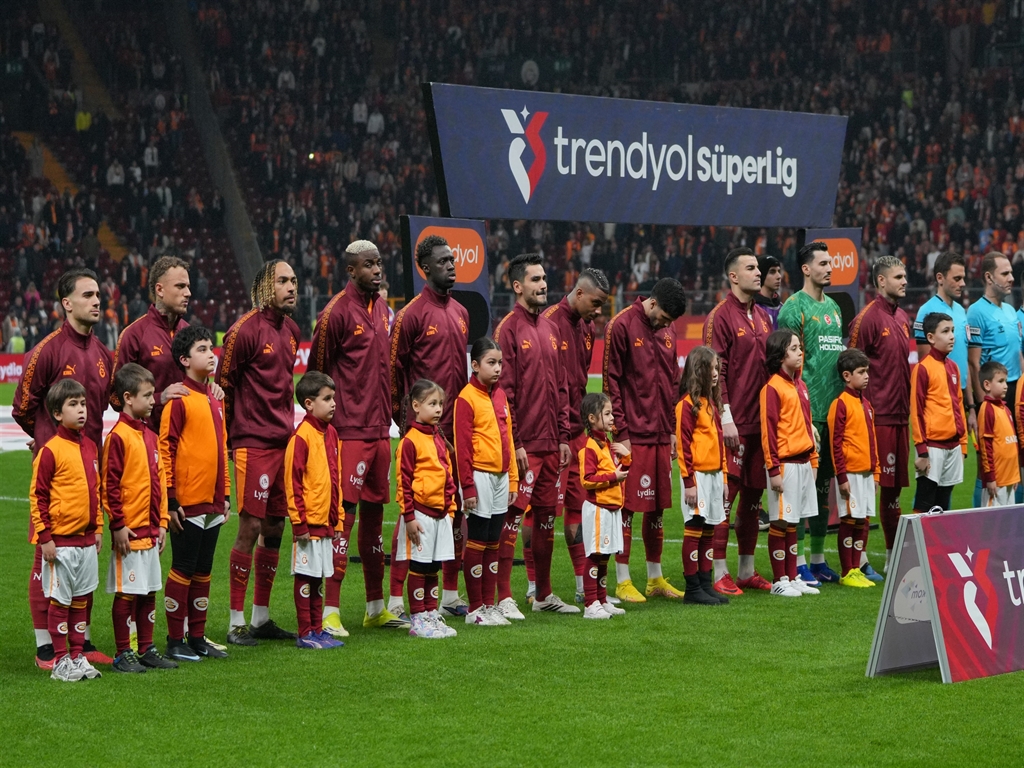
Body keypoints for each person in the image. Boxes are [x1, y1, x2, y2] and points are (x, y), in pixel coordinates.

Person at [14, 268, 113, 669]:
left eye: (98, 294)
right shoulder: (47, 351)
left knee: (85, 550)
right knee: (48, 552)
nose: (97, 301)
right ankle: (45, 647)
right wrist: (46, 441)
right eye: (88, 295)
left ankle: (80, 641)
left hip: (90, 468)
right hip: (56, 471)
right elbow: (22, 407)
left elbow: (109, 406)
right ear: (66, 303)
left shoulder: (104, 354)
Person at [310, 241, 406, 632]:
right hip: (348, 431)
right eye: (368, 265)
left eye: (379, 263)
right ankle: (329, 610)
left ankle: (375, 607)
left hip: (381, 430)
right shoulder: (334, 313)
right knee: (342, 522)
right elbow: (316, 374)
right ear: (351, 270)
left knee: (373, 523)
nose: (377, 270)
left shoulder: (383, 310)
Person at [219, 260, 302, 645]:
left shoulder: (292, 331)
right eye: (283, 281)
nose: (291, 287)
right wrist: (229, 439)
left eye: (293, 281)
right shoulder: (243, 331)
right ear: (265, 287)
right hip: (252, 442)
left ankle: (261, 617)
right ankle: (235, 622)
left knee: (274, 527)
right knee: (250, 526)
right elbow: (224, 387)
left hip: (283, 442)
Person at [389, 234, 470, 618]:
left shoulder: (461, 312)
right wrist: (405, 422)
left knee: (453, 511)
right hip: (421, 432)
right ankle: (395, 600)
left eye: (452, 260)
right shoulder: (410, 315)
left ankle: (449, 595)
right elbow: (392, 372)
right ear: (425, 268)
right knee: (413, 512)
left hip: (454, 430)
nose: (451, 266)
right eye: (442, 261)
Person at [493, 253, 575, 616]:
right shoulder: (508, 330)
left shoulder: (551, 329)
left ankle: (543, 595)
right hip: (524, 447)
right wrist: (517, 443)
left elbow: (561, 387)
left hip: (551, 445)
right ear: (517, 286)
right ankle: (504, 597)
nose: (543, 285)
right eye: (535, 279)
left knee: (545, 520)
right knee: (511, 519)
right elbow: (504, 394)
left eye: (544, 278)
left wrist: (563, 437)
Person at [603, 277, 688, 602]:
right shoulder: (621, 325)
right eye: (664, 317)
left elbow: (672, 382)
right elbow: (610, 382)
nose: (666, 325)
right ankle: (623, 580)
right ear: (652, 303)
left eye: (670, 322)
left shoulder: (668, 330)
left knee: (657, 508)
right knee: (627, 508)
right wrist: (620, 434)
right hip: (633, 436)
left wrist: (671, 430)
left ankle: (655, 578)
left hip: (660, 434)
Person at [702, 247, 773, 596]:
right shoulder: (719, 318)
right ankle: (719, 571)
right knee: (725, 498)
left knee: (754, 500)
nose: (758, 272)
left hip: (761, 425)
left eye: (758, 267)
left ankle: (745, 570)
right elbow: (715, 374)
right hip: (733, 425)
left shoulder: (763, 317)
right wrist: (726, 418)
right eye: (750, 268)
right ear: (733, 276)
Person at [161, 325, 232, 662]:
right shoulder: (179, 400)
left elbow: (222, 447)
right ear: (185, 360)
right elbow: (166, 449)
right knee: (184, 567)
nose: (211, 354)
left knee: (204, 569)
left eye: (211, 348)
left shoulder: (216, 398)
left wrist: (226, 494)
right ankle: (175, 640)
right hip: (187, 502)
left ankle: (198, 637)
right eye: (202, 349)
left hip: (213, 501)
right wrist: (171, 499)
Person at [101, 363, 177, 673]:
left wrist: (162, 523)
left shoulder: (150, 435)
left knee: (148, 590)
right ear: (128, 398)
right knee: (126, 593)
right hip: (129, 532)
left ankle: (146, 648)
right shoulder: (117, 437)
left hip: (150, 530)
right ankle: (123, 653)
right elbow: (109, 486)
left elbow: (160, 482)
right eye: (147, 395)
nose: (153, 400)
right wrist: (118, 524)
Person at [777, 242, 845, 586]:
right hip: (806, 414)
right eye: (823, 263)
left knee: (823, 488)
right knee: (802, 490)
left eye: (830, 263)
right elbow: (786, 364)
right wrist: (802, 414)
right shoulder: (793, 308)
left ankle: (817, 559)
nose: (829, 268)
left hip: (833, 413)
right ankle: (799, 560)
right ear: (806, 269)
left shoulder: (834, 308)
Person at [542, 268, 609, 604]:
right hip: (550, 434)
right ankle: (535, 587)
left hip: (577, 433)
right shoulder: (548, 322)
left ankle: (584, 585)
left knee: (579, 507)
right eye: (595, 303)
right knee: (541, 512)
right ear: (579, 293)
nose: (599, 311)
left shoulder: (588, 328)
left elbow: (580, 380)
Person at [30, 379, 104, 682]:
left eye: (83, 403)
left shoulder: (90, 447)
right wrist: (45, 537)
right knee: (60, 602)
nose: (81, 409)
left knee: (81, 600)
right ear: (58, 414)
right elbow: (38, 496)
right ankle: (60, 660)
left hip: (86, 541)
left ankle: (77, 656)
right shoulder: (50, 450)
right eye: (73, 405)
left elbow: (96, 491)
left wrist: (98, 527)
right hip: (60, 542)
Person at [849, 255, 912, 579]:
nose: (905, 281)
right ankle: (858, 560)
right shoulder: (867, 319)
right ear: (881, 281)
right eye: (899, 277)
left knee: (894, 492)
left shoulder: (902, 317)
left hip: (900, 416)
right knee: (870, 489)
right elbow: (850, 368)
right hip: (878, 418)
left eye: (905, 276)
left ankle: (891, 557)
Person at [111, 255, 224, 430]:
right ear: (160, 290)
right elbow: (115, 398)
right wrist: (158, 398)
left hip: (189, 436)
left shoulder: (189, 332)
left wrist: (210, 390)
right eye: (180, 286)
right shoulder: (134, 335)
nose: (188, 293)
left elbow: (197, 383)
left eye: (188, 286)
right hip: (151, 439)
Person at [454, 338, 518, 626]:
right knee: (478, 541)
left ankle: (489, 605)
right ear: (475, 365)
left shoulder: (501, 395)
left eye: (500, 363)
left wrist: (513, 479)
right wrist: (467, 486)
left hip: (502, 477)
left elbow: (509, 439)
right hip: (479, 475)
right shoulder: (466, 398)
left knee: (494, 541)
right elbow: (463, 447)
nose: (497, 368)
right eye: (491, 363)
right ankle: (475, 609)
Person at [394, 379, 459, 639]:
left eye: (440, 404)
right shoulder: (410, 442)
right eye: (432, 404)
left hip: (441, 515)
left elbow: (448, 475)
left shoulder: (438, 437)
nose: (438, 409)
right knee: (419, 568)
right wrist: (409, 517)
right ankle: (418, 618)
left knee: (434, 567)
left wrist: (451, 509)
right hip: (420, 515)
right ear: (416, 406)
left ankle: (431, 612)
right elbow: (403, 482)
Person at [285, 372, 344, 650]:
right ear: (309, 404)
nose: (333, 403)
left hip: (326, 523)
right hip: (308, 524)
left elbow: (336, 478)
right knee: (305, 576)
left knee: (319, 576)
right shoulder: (301, 437)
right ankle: (305, 631)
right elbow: (292, 483)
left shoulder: (332, 433)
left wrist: (338, 519)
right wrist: (299, 524)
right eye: (327, 399)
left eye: (333, 398)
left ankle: (318, 630)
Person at [760, 330, 821, 598]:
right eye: (794, 348)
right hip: (784, 464)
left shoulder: (801, 386)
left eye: (800, 348)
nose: (800, 353)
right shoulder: (772, 388)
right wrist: (773, 469)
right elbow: (768, 431)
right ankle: (779, 580)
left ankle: (792, 575)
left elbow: (807, 426)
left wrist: (814, 460)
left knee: (794, 521)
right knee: (781, 522)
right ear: (780, 354)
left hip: (803, 462)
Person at [967, 253, 1024, 506]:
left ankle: (1014, 516)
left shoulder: (1011, 311)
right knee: (988, 461)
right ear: (989, 277)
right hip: (993, 397)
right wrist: (982, 406)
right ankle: (979, 518)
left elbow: (1018, 354)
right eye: (1005, 273)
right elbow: (974, 362)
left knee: (1015, 456)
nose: (1011, 278)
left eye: (1011, 272)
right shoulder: (976, 312)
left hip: (1015, 392)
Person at [675, 346, 729, 606]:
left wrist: (725, 478)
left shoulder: (712, 404)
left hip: (715, 476)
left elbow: (720, 443)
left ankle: (706, 585)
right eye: (711, 368)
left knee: (709, 530)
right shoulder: (686, 406)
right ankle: (693, 588)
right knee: (695, 528)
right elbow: (683, 447)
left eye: (717, 368)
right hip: (697, 477)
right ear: (699, 371)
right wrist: (689, 483)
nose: (716, 373)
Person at [828, 349, 880, 588]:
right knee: (849, 520)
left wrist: (876, 472)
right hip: (851, 473)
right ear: (847, 376)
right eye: (861, 372)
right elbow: (835, 443)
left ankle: (857, 568)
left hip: (867, 473)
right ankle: (847, 571)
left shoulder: (867, 404)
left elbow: (873, 441)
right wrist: (841, 476)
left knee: (863, 521)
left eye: (867, 371)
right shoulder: (840, 404)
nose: (866, 376)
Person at [578, 392, 628, 619]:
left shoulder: (608, 444)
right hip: (598, 508)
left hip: (612, 507)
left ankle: (602, 599)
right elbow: (586, 479)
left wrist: (627, 458)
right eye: (607, 414)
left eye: (611, 413)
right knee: (595, 554)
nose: (612, 418)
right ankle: (590, 604)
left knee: (605, 554)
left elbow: (621, 471)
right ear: (592, 418)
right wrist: (612, 477)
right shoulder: (589, 447)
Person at [911, 313, 967, 514]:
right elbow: (916, 411)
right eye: (945, 331)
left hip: (953, 446)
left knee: (944, 503)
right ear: (931, 337)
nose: (952, 336)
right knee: (925, 502)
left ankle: (939, 537)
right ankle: (915, 536)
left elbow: (959, 406)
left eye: (953, 330)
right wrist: (922, 451)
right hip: (932, 447)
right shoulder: (923, 368)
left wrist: (963, 445)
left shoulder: (953, 367)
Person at [914, 252, 976, 436]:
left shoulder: (961, 311)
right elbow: (925, 363)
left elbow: (964, 361)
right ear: (940, 278)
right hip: (940, 398)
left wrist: (971, 406)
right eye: (957, 278)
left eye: (963, 278)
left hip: (961, 396)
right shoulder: (925, 311)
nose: (962, 284)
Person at [977, 362, 1019, 507]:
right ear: (987, 385)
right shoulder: (987, 409)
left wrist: (1014, 475)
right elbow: (985, 445)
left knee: (1008, 518)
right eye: (1000, 381)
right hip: (997, 481)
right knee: (992, 519)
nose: (1005, 386)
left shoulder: (1005, 409)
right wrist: (990, 478)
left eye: (1006, 381)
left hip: (1009, 478)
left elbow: (1011, 443)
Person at [754, 254, 783, 329]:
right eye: (772, 272)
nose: (779, 276)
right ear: (761, 275)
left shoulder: (783, 308)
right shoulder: (752, 309)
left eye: (779, 271)